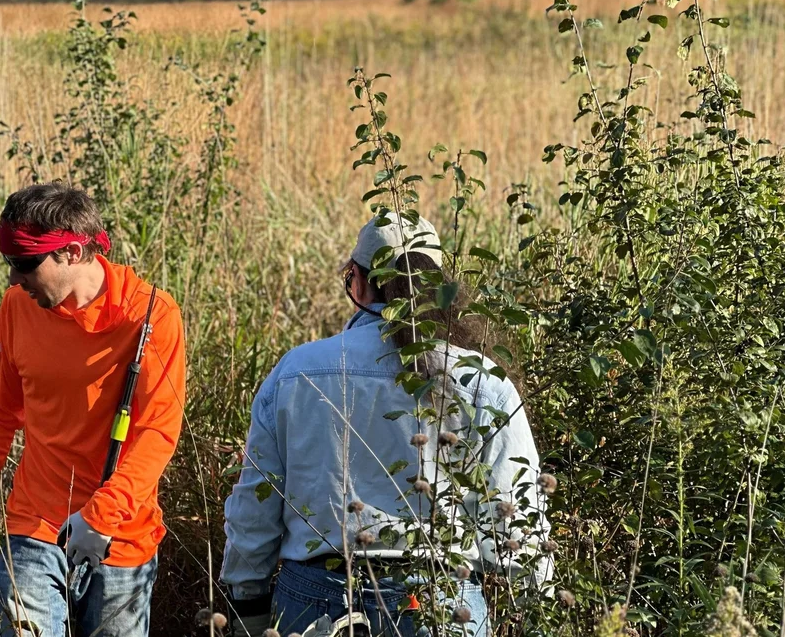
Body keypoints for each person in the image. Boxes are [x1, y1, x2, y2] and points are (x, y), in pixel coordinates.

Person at [220, 211, 553, 637]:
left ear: (357, 281)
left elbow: (256, 504)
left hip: (315, 598)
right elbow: (517, 523)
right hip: (441, 600)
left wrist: (247, 604)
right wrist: (542, 609)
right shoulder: (483, 382)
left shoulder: (296, 372)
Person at [0, 182, 186, 637]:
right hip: (35, 524)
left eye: (25, 263)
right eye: (9, 262)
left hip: (120, 537)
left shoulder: (151, 315)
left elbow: (157, 433)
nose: (14, 279)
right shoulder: (16, 307)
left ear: (72, 252)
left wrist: (102, 514)